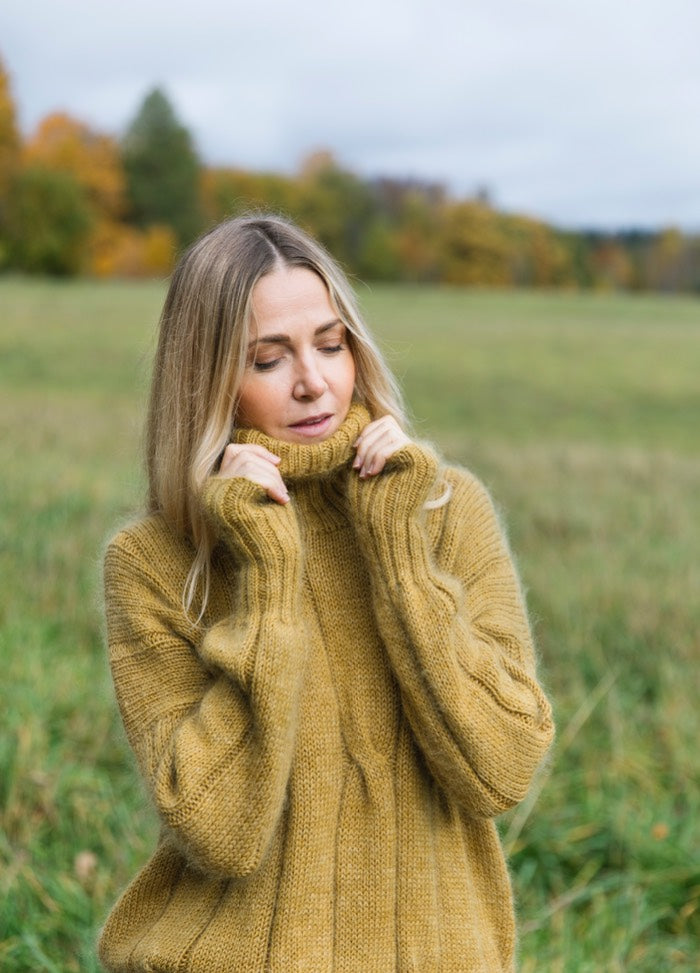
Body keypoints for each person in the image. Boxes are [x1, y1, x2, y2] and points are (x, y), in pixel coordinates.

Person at [99, 214, 554, 972]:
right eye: (268, 359)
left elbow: (500, 771)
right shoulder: (154, 563)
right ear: (206, 383)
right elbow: (221, 832)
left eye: (331, 344)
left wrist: (400, 556)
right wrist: (268, 577)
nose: (313, 381)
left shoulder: (444, 511)